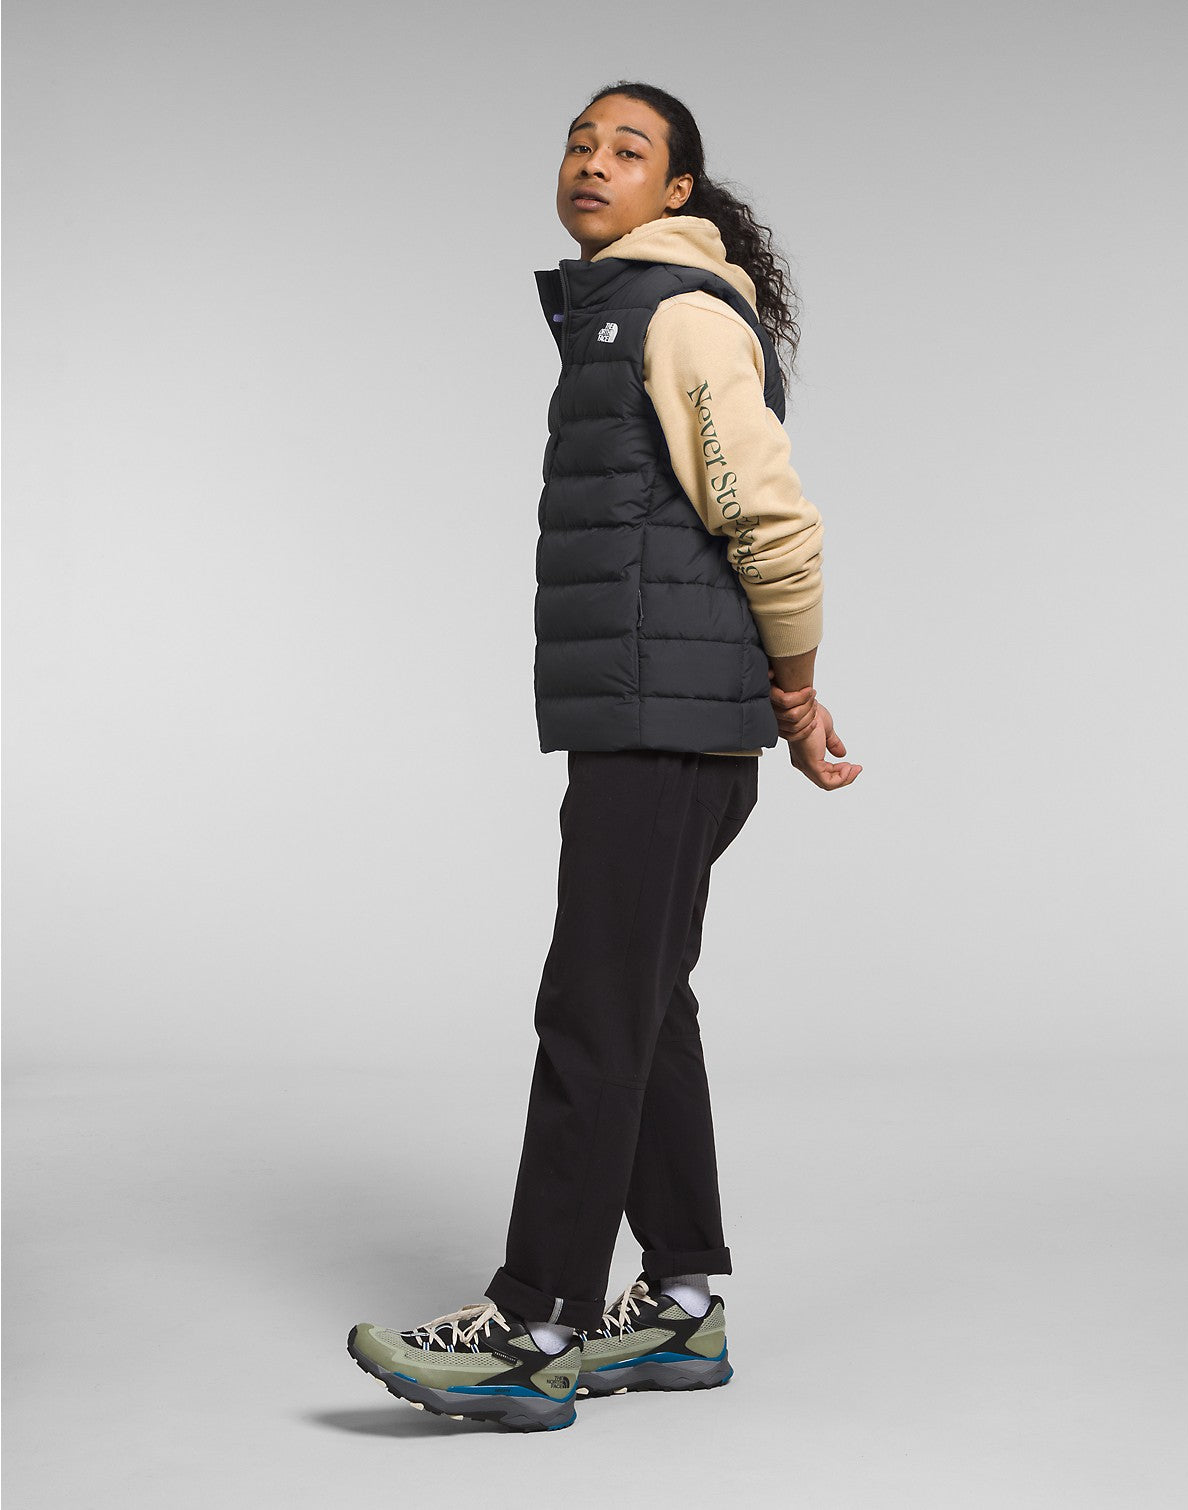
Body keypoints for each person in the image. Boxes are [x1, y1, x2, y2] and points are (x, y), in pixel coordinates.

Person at [347, 80, 861, 1433]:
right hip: (657, 718)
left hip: (662, 726)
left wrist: (799, 686)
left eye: (628, 148)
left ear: (676, 191)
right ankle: (682, 1304)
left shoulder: (678, 314)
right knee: (641, 998)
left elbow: (770, 515)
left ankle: (534, 1326)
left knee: (593, 1004)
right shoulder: (621, 314)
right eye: (580, 141)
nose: (593, 160)